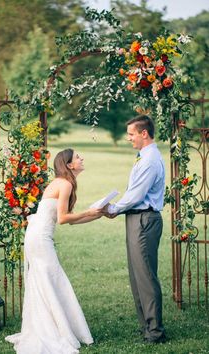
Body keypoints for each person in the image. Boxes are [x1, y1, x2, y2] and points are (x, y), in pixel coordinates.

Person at [6, 148, 103, 354]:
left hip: (37, 235)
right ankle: (53, 331)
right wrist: (89, 212)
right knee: (51, 278)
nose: (81, 158)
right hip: (40, 238)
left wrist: (98, 215)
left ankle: (55, 326)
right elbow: (63, 218)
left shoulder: (63, 183)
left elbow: (71, 220)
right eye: (78, 157)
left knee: (47, 280)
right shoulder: (65, 184)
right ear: (69, 165)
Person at [105, 115, 166, 344]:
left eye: (131, 134)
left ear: (144, 133)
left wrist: (113, 208)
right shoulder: (144, 157)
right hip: (135, 218)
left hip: (143, 220)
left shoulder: (150, 160)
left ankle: (155, 331)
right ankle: (146, 327)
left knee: (146, 277)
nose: (128, 138)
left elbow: (137, 195)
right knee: (136, 276)